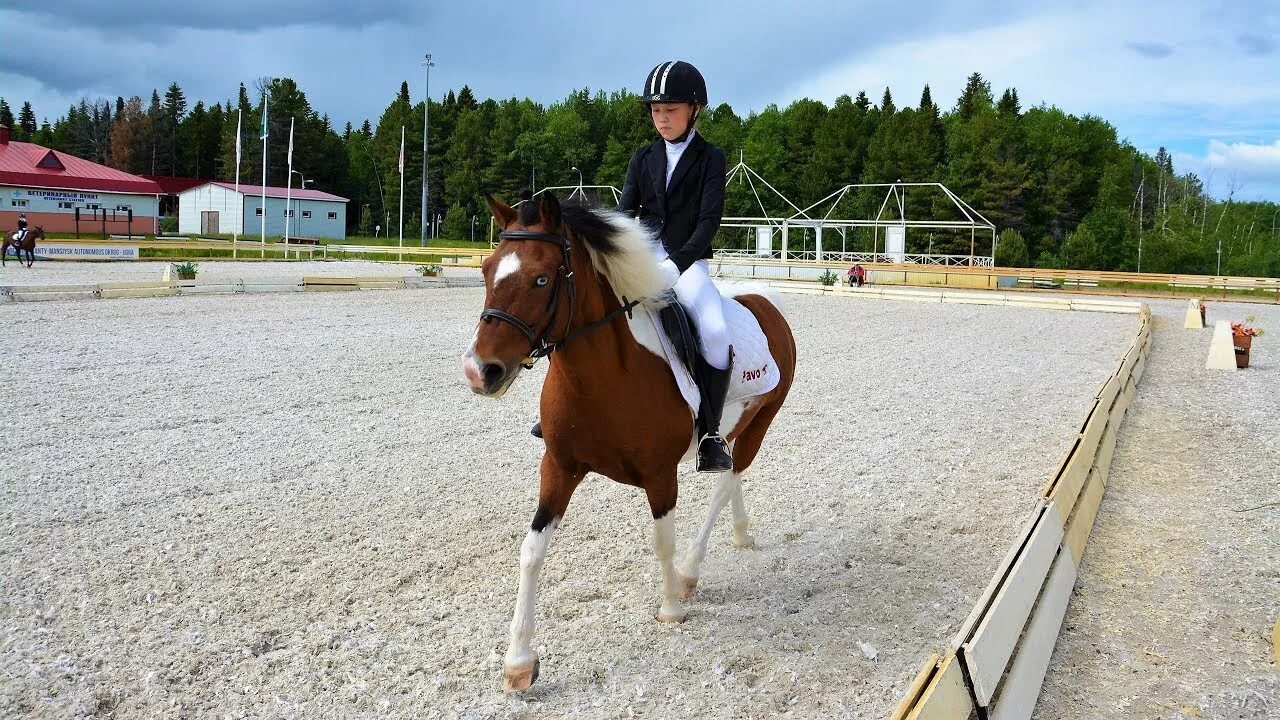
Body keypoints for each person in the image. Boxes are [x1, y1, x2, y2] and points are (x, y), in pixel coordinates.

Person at [532, 60, 733, 474]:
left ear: (695, 109)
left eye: (671, 110)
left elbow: (707, 222)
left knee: (714, 332)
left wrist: (676, 265)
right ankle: (560, 410)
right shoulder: (643, 157)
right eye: (656, 111)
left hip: (688, 262)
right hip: (642, 256)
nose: (662, 118)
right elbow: (626, 213)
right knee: (577, 305)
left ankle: (710, 432)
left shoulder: (712, 158)